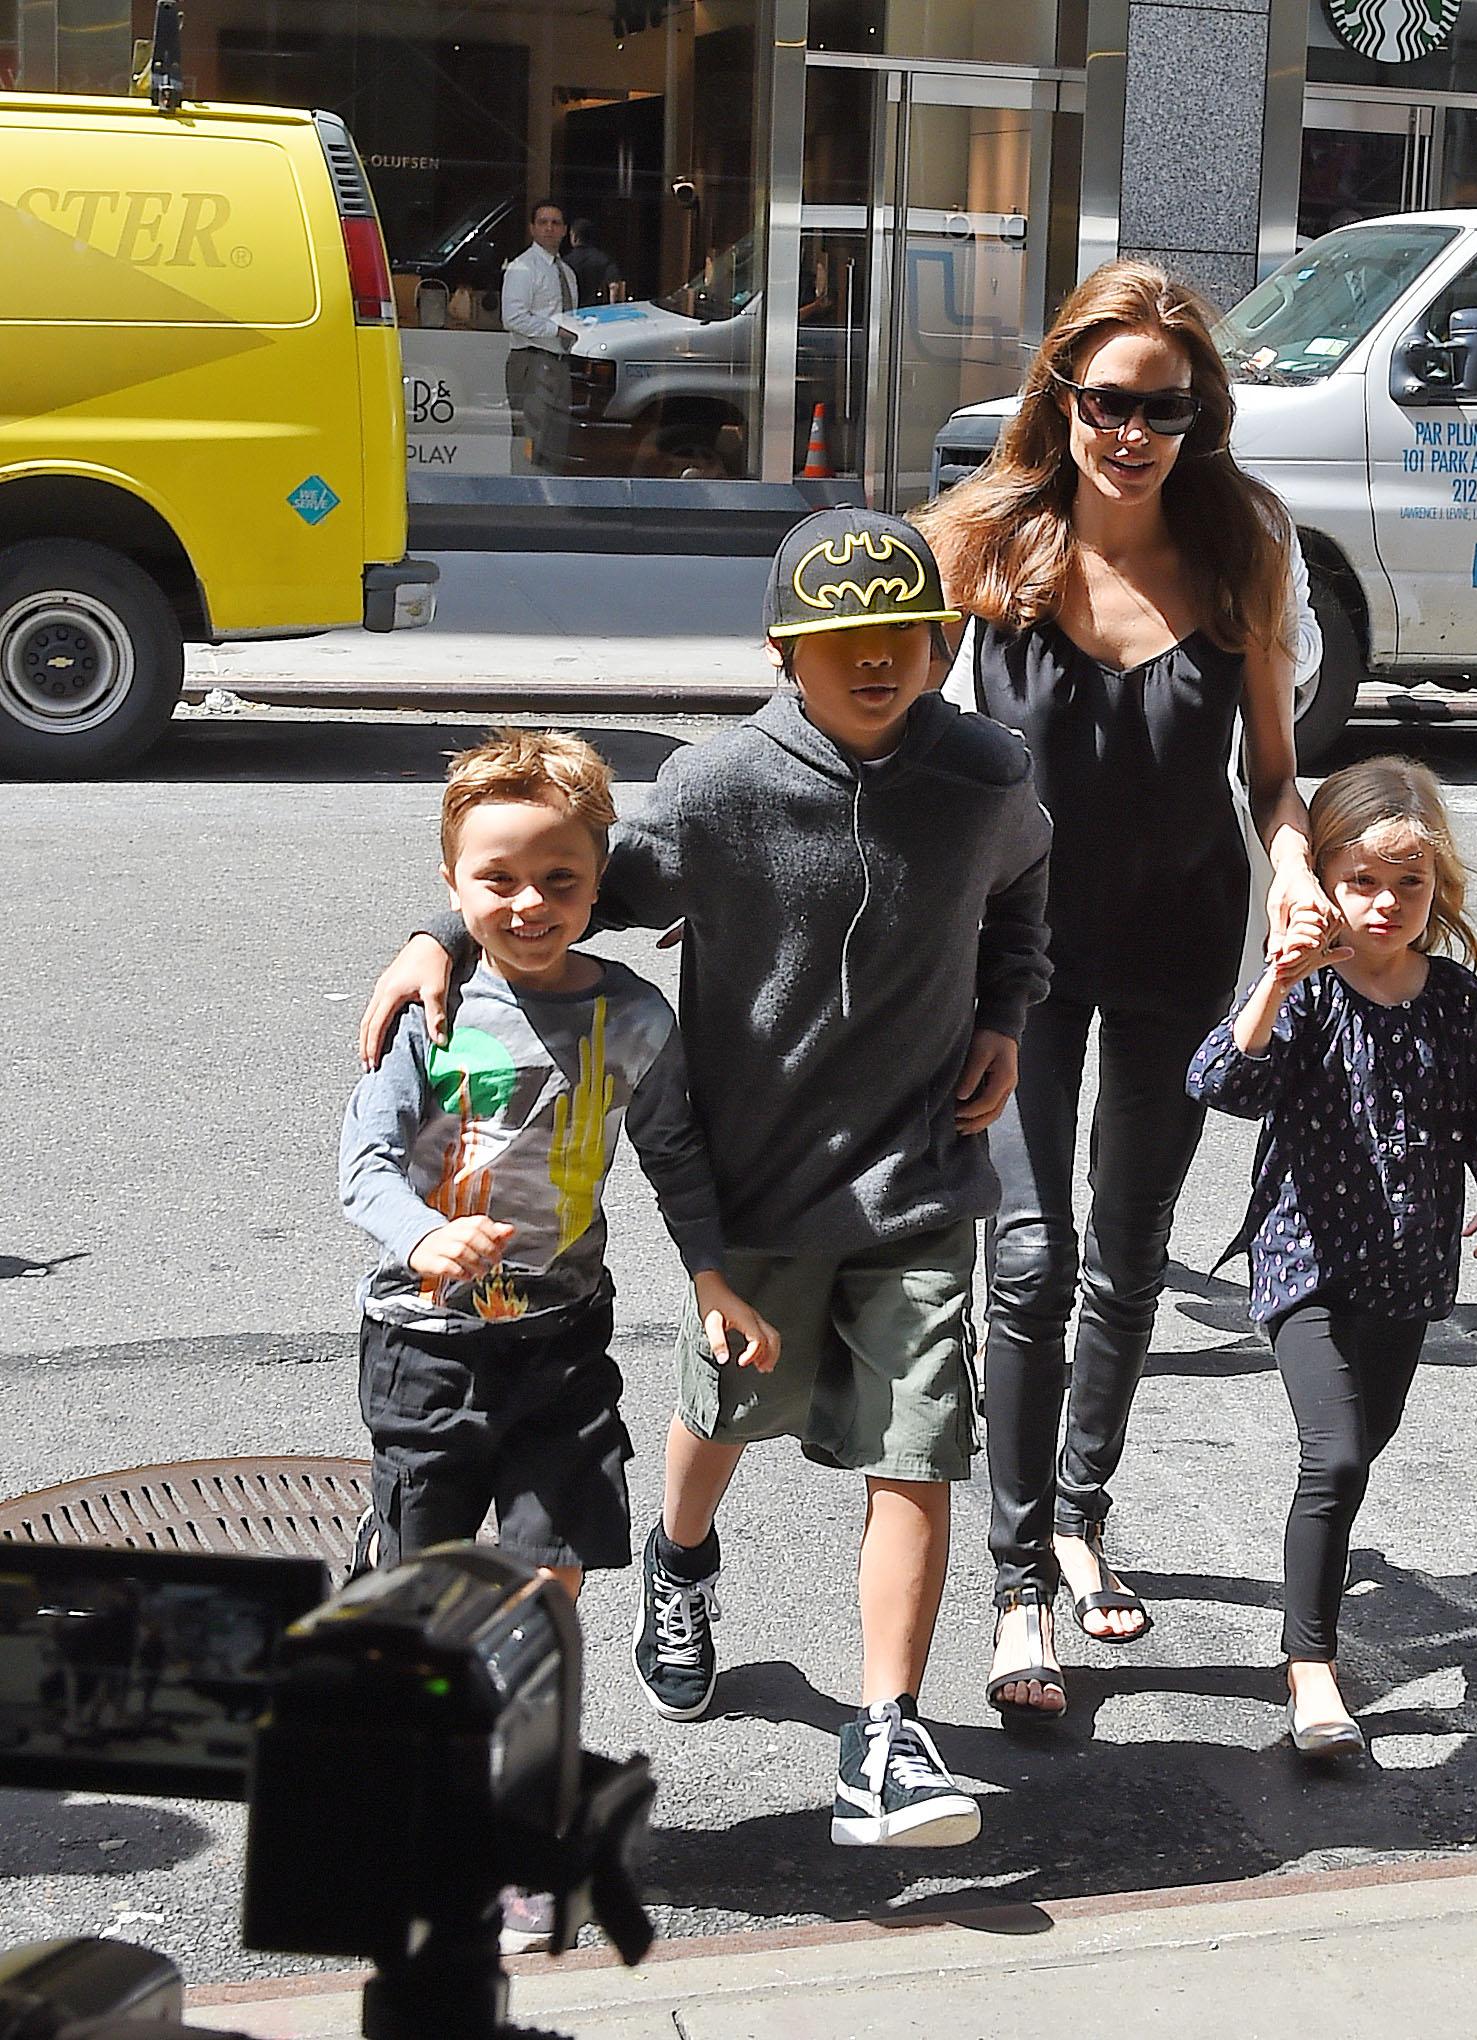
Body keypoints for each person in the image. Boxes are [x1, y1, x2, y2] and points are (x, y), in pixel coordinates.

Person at [357, 510, 1053, 1849]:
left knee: (916, 1454)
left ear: (934, 643)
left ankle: (887, 1733)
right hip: (757, 1184)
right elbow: (559, 880)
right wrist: (434, 934)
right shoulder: (718, 786)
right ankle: (679, 1561)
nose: (872, 664)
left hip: (920, 1177)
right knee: (728, 1412)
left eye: (898, 638)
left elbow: (1023, 887)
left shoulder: (984, 773)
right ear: (787, 651)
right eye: (839, 641)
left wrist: (1005, 1015)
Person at [915, 258, 1332, 1721]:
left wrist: (1293, 868)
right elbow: (848, 715)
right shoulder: (981, 538)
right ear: (1061, 398)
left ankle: (1082, 1510)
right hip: (1015, 954)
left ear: (1199, 415)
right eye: (1106, 401)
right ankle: (1019, 1578)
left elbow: (1273, 779)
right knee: (1028, 1260)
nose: (1132, 432)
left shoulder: (1239, 552)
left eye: (1164, 406)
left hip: (1177, 944)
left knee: (1131, 1253)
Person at [339, 728, 779, 1947]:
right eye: (497, 880)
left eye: (561, 880)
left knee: (546, 1587)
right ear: (452, 878)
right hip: (426, 1347)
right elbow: (363, 1164)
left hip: (560, 1347)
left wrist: (711, 1282)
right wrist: (422, 1234)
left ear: (601, 883)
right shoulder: (427, 1010)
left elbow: (676, 1158)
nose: (529, 904)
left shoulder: (630, 1017)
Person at [1186, 758, 1477, 1756]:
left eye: (1409, 885)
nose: (1385, 905)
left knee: (1358, 1450)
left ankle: (1322, 1575)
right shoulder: (1307, 993)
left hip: (1407, 1276)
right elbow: (1220, 1082)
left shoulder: (1455, 1001)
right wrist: (1274, 978)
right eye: (1362, 882)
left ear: (1438, 892)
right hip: (1304, 1264)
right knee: (1335, 1455)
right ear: (1324, 885)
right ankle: (1311, 1670)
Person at [501, 199, 577, 472]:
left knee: (556, 437)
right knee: (529, 434)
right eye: (543, 222)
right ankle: (523, 494)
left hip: (560, 360)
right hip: (531, 358)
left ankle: (547, 496)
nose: (549, 228)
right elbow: (513, 318)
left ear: (565, 230)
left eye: (555, 223)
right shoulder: (523, 267)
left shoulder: (566, 272)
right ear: (532, 229)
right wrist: (556, 330)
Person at [564, 218, 624, 308]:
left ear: (575, 237)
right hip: (600, 311)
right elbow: (615, 286)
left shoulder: (565, 262)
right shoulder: (605, 259)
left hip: (574, 312)